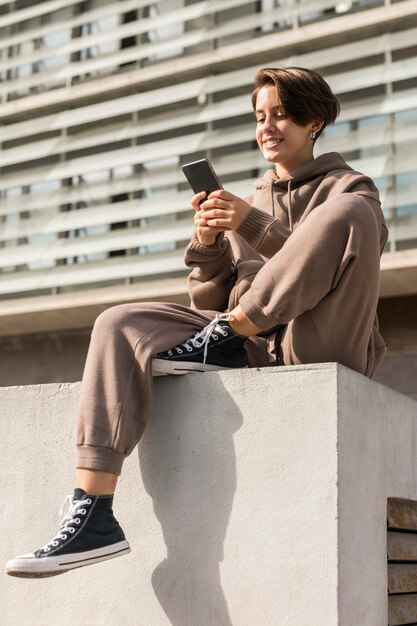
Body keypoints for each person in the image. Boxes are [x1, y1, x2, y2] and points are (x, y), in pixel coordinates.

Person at [6, 67, 388, 578]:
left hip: (318, 338)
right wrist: (208, 246)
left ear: (314, 121)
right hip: (242, 339)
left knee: (348, 214)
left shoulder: (350, 189)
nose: (267, 126)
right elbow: (209, 296)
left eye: (281, 114)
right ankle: (93, 510)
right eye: (260, 117)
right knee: (119, 322)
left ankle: (226, 336)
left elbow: (351, 252)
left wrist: (251, 226)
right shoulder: (249, 200)